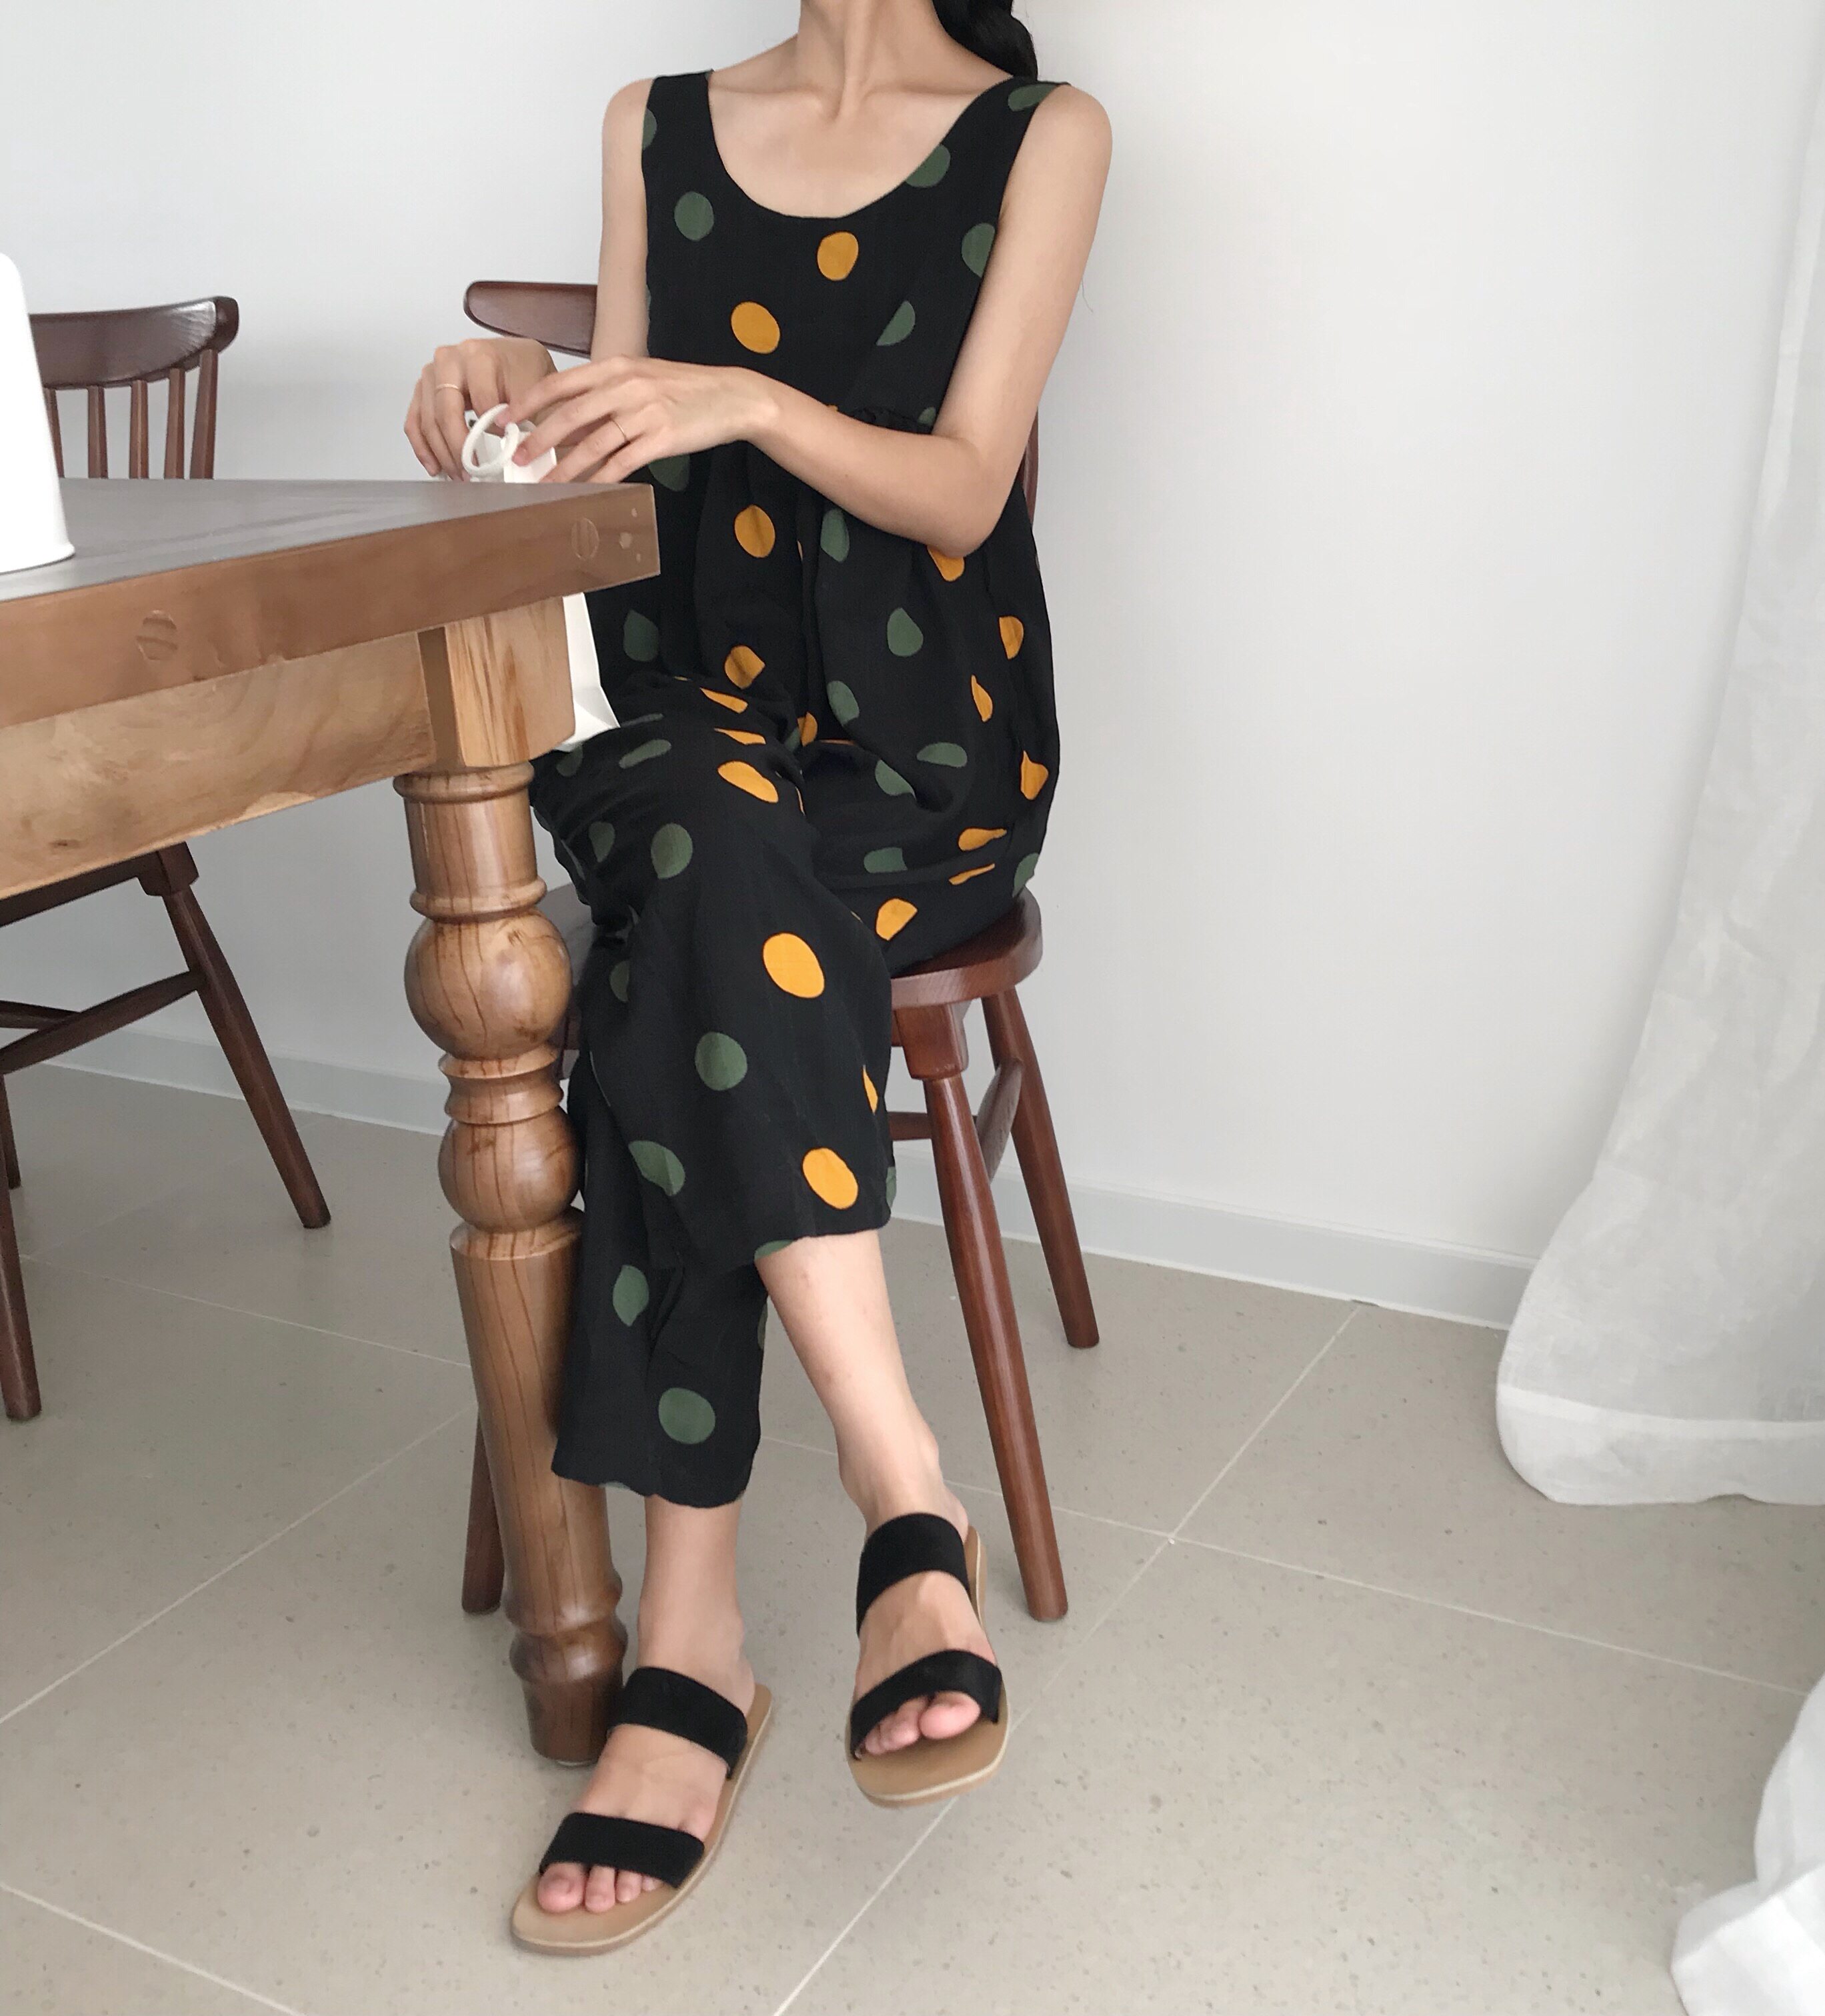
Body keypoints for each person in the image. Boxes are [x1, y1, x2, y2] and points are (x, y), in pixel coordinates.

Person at [402, 0, 1108, 1954]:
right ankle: (909, 1499)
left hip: (924, 754)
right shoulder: (652, 122)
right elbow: (620, 469)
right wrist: (524, 382)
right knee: (711, 869)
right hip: (679, 723)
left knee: (681, 964)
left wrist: (751, 401)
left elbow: (963, 490)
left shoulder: (1042, 133)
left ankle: (689, 1645)